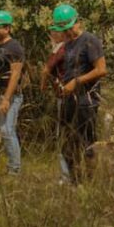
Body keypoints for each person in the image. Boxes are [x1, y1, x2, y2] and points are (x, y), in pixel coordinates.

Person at [49, 3, 107, 183]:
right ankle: (74, 179)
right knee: (68, 141)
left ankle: (91, 180)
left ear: (77, 23)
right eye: (62, 30)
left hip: (86, 100)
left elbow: (101, 69)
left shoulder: (90, 40)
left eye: (67, 28)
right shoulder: (67, 44)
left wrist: (77, 81)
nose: (65, 33)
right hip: (68, 100)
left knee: (87, 142)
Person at [0, 10, 25, 175]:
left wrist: (6, 99)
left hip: (10, 96)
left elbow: (15, 74)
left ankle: (14, 170)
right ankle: (9, 165)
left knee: (8, 130)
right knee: (1, 131)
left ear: (8, 28)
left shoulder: (14, 47)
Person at [41, 29, 71, 183]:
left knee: (62, 136)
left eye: (52, 34)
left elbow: (46, 70)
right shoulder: (72, 47)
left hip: (64, 96)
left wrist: (42, 87)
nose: (50, 37)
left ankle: (66, 176)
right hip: (74, 95)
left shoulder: (60, 48)